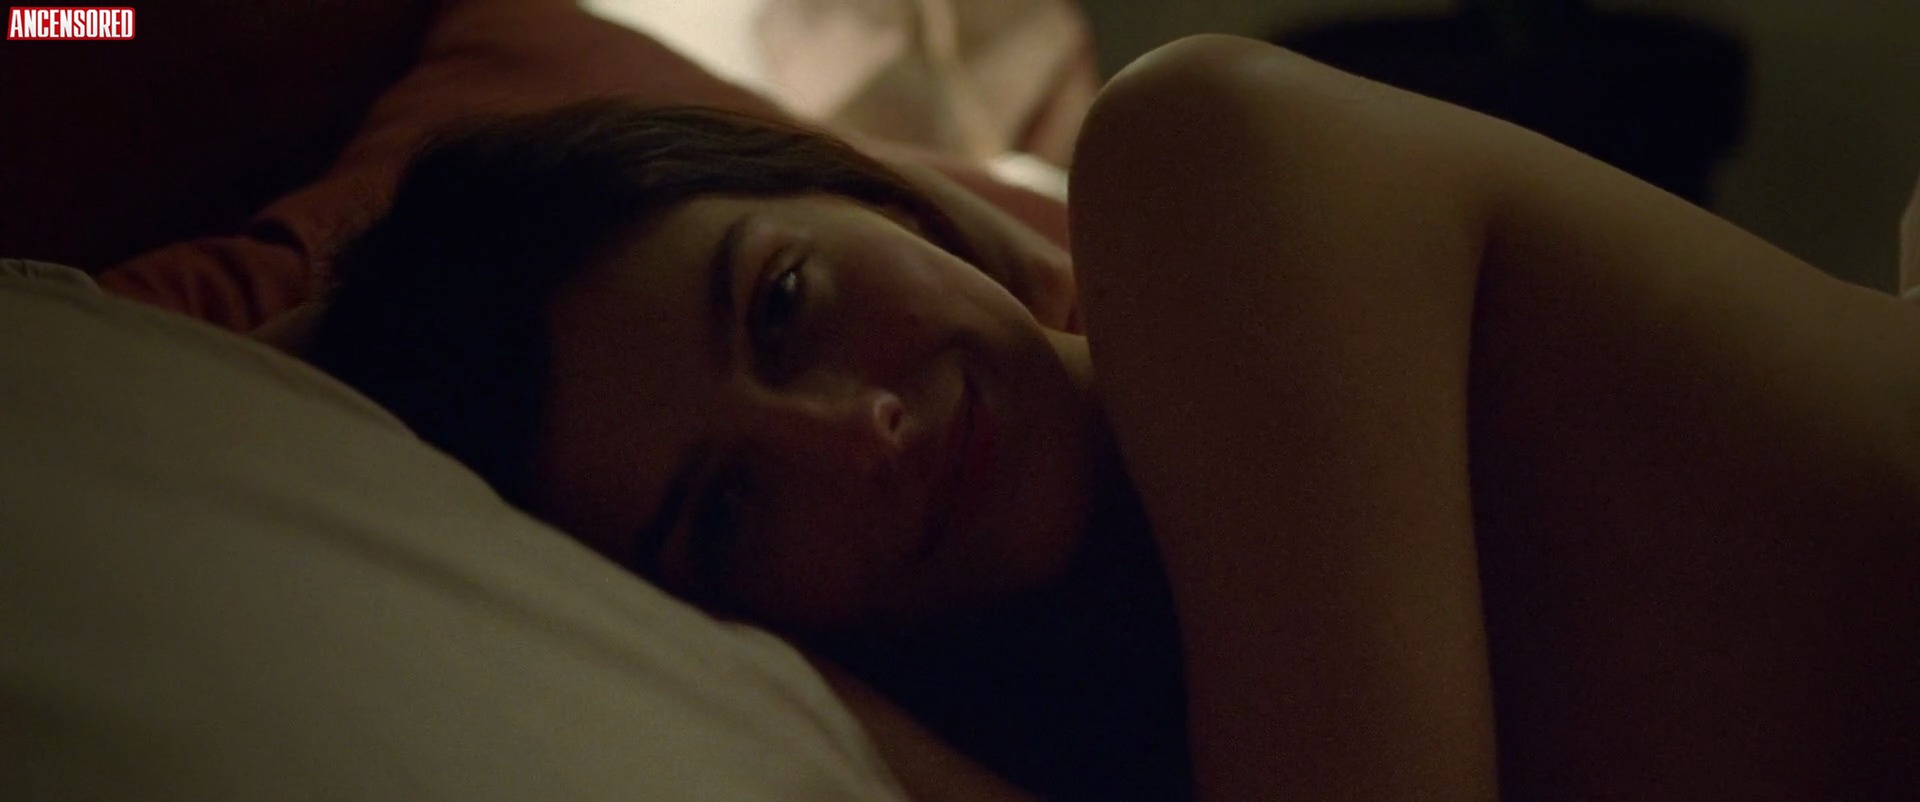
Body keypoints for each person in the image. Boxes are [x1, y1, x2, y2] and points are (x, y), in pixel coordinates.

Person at [294, 35, 1919, 801]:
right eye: (726, 513)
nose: (859, 433)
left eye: (783, 302)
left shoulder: (1195, 172)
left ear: (881, 197)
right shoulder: (1130, 712)